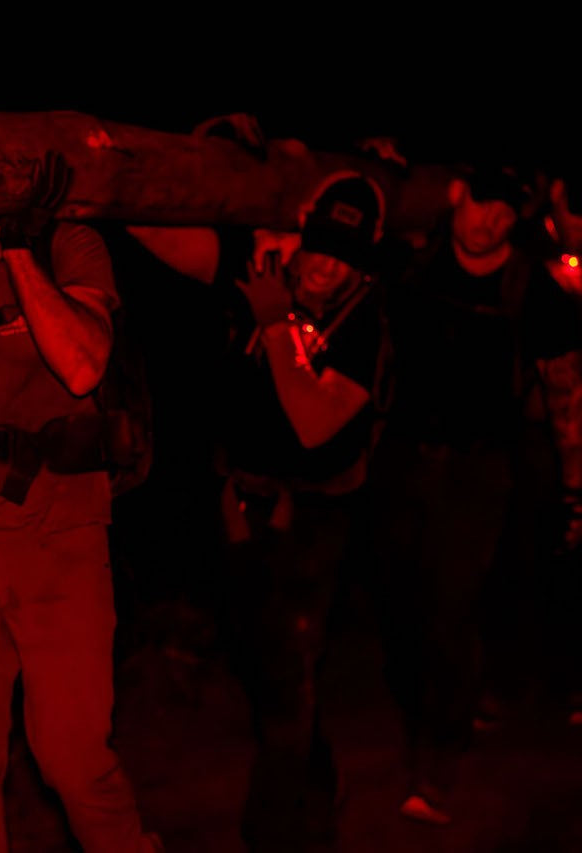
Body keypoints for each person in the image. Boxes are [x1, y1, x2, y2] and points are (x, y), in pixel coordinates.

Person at [128, 169, 390, 853]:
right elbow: (173, 243)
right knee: (264, 666)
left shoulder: (368, 321)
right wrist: (114, 191)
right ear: (302, 236)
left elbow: (311, 421)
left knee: (287, 680)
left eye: (346, 255)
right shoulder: (266, 269)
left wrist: (274, 320)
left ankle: (274, 834)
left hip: (311, 521)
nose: (326, 264)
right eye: (320, 244)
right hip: (240, 503)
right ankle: (321, 780)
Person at [0, 152, 163, 852]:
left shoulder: (67, 240)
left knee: (74, 759)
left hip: (60, 531)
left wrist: (20, 250)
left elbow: (83, 363)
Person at [367, 160, 582, 826]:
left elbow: (566, 390)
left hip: (479, 470)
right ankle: (436, 708)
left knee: (451, 609)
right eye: (482, 202)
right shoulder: (412, 264)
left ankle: (438, 759)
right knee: (401, 605)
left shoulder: (534, 290)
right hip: (400, 463)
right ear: (458, 195)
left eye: (506, 211)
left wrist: (576, 487)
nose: (490, 220)